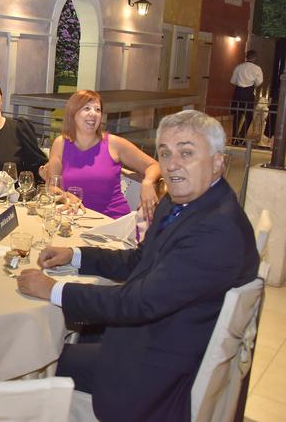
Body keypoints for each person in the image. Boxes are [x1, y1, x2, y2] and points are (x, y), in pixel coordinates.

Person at [17, 110, 258, 422]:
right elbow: (138, 261)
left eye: (186, 153)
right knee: (65, 336)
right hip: (160, 338)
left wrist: (53, 289)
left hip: (159, 373)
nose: (172, 165)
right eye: (165, 153)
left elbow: (137, 302)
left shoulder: (217, 230)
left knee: (32, 357)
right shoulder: (182, 203)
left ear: (217, 163)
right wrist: (76, 254)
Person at [39, 90, 161, 220]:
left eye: (97, 110)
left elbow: (154, 165)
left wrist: (148, 182)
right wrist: (66, 196)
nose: (93, 113)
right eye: (87, 108)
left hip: (112, 222)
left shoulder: (114, 144)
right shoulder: (60, 144)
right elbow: (52, 186)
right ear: (73, 113)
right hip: (73, 219)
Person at [230, 49, 263, 146]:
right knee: (248, 116)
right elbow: (259, 82)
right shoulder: (257, 69)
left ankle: (234, 138)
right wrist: (252, 84)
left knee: (237, 116)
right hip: (248, 93)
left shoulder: (238, 67)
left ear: (246, 57)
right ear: (255, 58)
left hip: (238, 93)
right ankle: (242, 137)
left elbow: (232, 81)